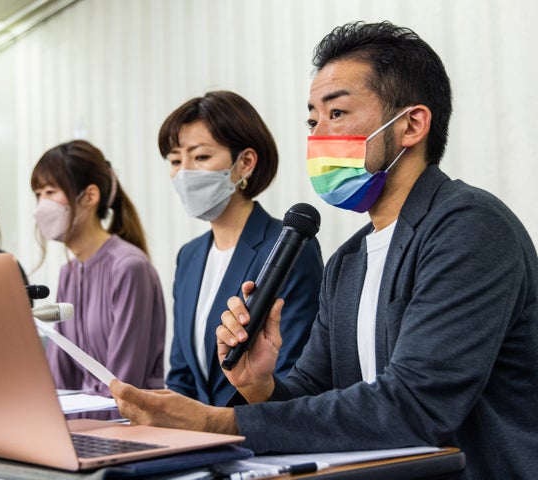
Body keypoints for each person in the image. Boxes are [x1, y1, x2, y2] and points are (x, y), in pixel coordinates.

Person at [110, 21, 538, 479]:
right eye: (312, 120)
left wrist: (222, 422)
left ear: (412, 124)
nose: (317, 136)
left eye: (336, 114)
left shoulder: (469, 227)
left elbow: (415, 406)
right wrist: (261, 385)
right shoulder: (349, 259)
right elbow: (313, 392)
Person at [159, 91, 323, 406]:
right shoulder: (189, 256)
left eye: (201, 157)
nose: (184, 173)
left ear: (245, 162)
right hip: (199, 442)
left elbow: (294, 371)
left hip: (259, 434)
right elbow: (182, 374)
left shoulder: (288, 247)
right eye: (176, 160)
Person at [31, 139, 165, 397]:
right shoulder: (68, 273)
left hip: (129, 427)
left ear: (89, 196)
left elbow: (123, 389)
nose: (40, 206)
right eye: (38, 195)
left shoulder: (129, 267)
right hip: (86, 427)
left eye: (49, 192)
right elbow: (60, 377)